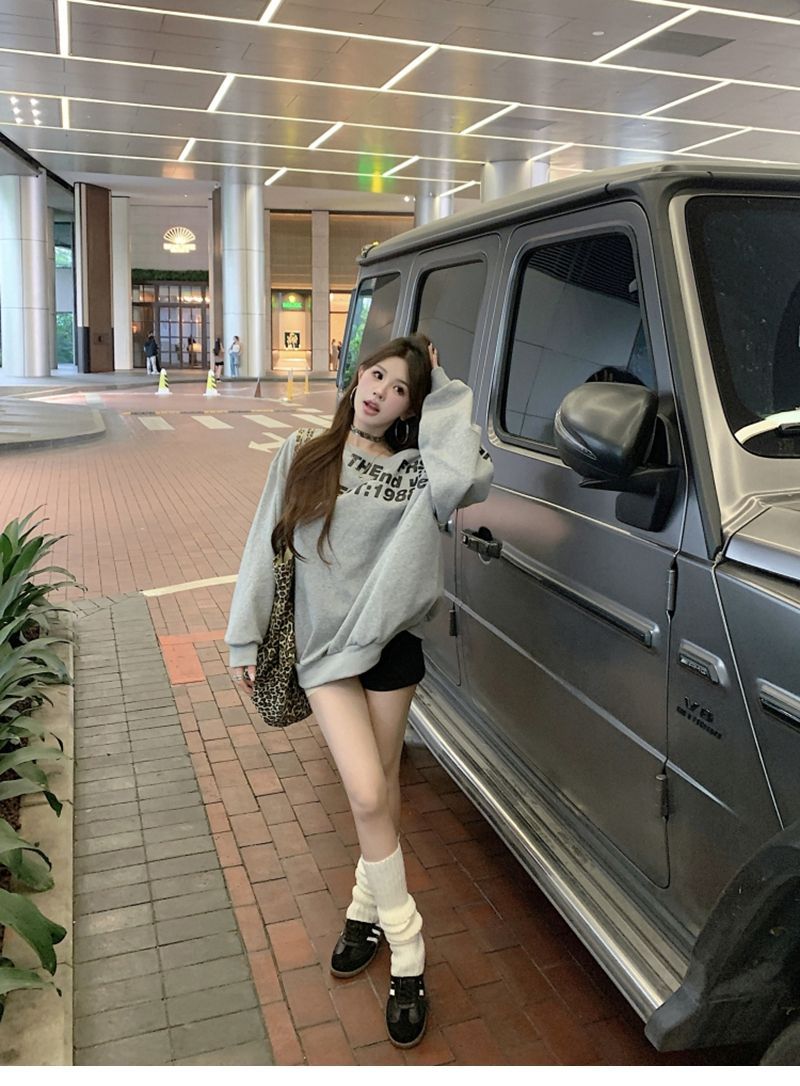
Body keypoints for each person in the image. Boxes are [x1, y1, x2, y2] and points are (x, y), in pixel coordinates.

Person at [225, 334, 493, 1048]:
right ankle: (408, 949)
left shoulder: (419, 471)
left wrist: (443, 383)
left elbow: (467, 477)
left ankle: (362, 909)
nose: (381, 392)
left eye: (400, 388)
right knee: (369, 794)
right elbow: (263, 543)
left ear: (411, 407)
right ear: (356, 379)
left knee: (385, 785)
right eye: (376, 375)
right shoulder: (304, 453)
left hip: (391, 644)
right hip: (325, 652)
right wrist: (243, 636)